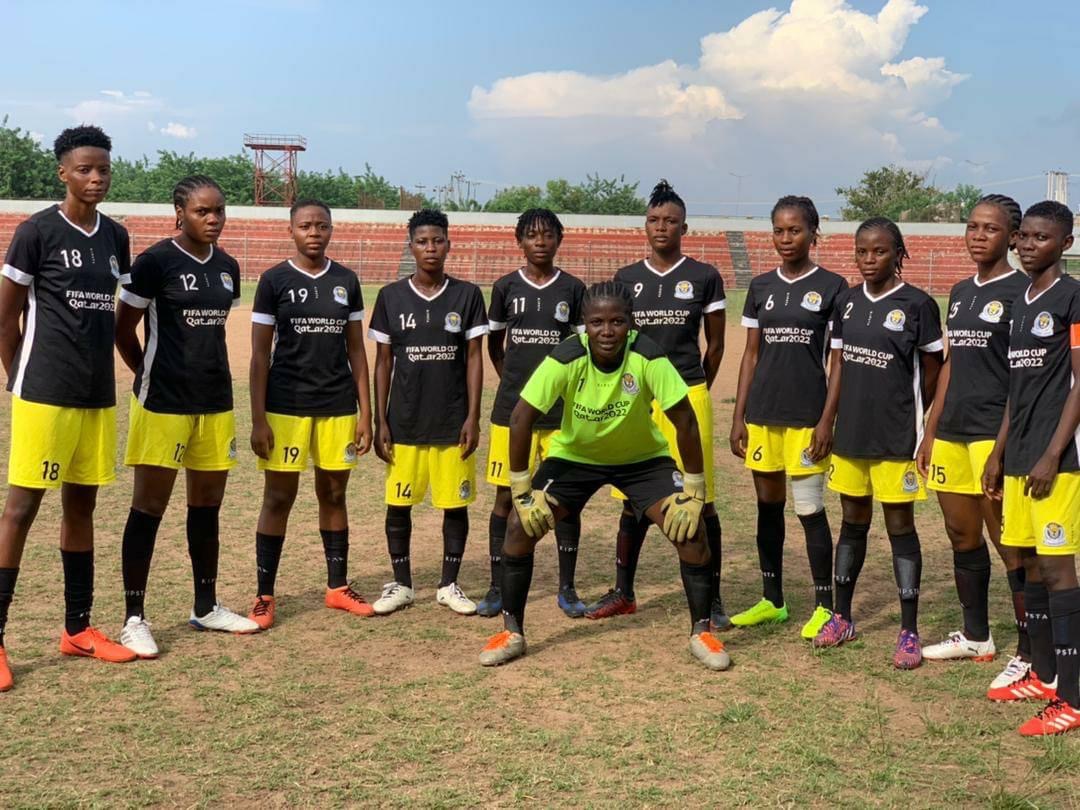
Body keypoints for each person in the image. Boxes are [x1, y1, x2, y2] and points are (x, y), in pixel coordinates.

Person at [478, 281, 730, 671]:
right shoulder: (567, 355)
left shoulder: (647, 354)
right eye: (597, 322)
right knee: (518, 526)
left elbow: (685, 421)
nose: (607, 331)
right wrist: (522, 489)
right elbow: (520, 417)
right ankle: (511, 632)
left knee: (690, 530)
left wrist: (695, 489)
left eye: (617, 322)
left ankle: (702, 632)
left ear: (631, 323)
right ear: (584, 325)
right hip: (575, 459)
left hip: (643, 460)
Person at [0, 126, 135, 688]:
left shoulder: (116, 236)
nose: (96, 178)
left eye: (103, 169)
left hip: (96, 393)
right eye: (84, 169)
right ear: (63, 173)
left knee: (82, 507)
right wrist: (20, 380)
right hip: (44, 391)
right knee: (20, 510)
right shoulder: (37, 231)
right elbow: (5, 318)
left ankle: (78, 629)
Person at [114, 175, 258, 658]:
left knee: (207, 506)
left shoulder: (228, 267)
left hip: (215, 402)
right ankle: (134, 617)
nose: (213, 219)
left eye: (219, 211)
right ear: (179, 213)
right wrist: (148, 374)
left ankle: (206, 605)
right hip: (163, 403)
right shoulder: (155, 262)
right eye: (202, 211)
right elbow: (122, 329)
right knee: (148, 508)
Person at [587, 180, 727, 627]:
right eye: (653, 220)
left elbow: (716, 346)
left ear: (685, 227)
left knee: (700, 500)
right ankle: (623, 592)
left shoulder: (704, 276)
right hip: (637, 400)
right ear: (644, 226)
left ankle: (714, 600)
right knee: (632, 500)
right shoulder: (626, 278)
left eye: (670, 220)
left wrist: (693, 389)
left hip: (687, 396)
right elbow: (615, 341)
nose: (661, 226)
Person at [814, 217, 944, 670]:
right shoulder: (846, 302)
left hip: (896, 437)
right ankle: (842, 617)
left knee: (899, 527)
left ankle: (908, 630)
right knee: (852, 522)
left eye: (880, 251)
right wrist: (826, 421)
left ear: (899, 253)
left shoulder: (918, 305)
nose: (869, 260)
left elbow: (933, 370)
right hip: (851, 435)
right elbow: (838, 365)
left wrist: (917, 419)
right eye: (862, 251)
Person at [916, 195, 1031, 691]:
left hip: (994, 435)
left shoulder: (1023, 292)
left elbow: (1023, 380)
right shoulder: (961, 292)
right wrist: (930, 429)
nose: (978, 235)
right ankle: (977, 636)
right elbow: (951, 364)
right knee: (961, 536)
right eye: (972, 226)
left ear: (1012, 237)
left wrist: (1001, 450)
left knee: (1012, 546)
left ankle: (1030, 651)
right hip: (952, 434)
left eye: (990, 228)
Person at [246, 199, 374, 630]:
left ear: (331, 229)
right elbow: (259, 355)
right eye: (305, 226)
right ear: (292, 231)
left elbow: (356, 351)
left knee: (334, 494)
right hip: (286, 406)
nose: (314, 233)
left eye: (322, 225)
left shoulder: (346, 280)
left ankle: (337, 587)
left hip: (337, 405)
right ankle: (264, 594)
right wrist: (258, 418)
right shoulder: (274, 280)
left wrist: (366, 413)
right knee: (278, 498)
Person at [728, 196, 847, 639]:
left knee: (809, 509)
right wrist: (739, 415)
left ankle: (823, 606)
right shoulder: (761, 286)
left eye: (794, 230)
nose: (785, 238)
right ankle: (772, 600)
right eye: (778, 230)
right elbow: (750, 355)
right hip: (764, 414)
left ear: (813, 233)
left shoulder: (833, 287)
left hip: (806, 416)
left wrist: (826, 420)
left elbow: (838, 361)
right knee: (768, 507)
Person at [982, 200, 1080, 735]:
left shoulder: (1073, 297)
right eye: (1023, 236)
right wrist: (999, 454)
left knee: (1060, 570)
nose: (1026, 245)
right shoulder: (1019, 303)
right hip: (1019, 457)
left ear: (1065, 243)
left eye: (1041, 238)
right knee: (1032, 565)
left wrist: (1050, 454)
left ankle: (1073, 698)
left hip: (1057, 462)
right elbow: (1016, 391)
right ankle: (1044, 676)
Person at [367, 209, 487, 616]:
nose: (430, 248)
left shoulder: (467, 295)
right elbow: (383, 361)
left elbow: (474, 358)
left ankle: (449, 584)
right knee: (398, 503)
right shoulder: (391, 296)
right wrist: (380, 420)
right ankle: (401, 584)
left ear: (448, 245)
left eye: (437, 240)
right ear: (411, 247)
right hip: (405, 420)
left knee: (455, 504)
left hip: (452, 420)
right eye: (422, 241)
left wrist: (473, 417)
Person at [479, 208, 587, 619]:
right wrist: (516, 386)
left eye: (548, 235)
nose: (540, 242)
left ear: (559, 240)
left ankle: (567, 587)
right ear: (519, 242)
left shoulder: (573, 289)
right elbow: (495, 346)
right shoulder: (505, 287)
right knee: (505, 496)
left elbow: (583, 350)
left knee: (565, 499)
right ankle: (496, 585)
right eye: (532, 235)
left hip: (561, 415)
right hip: (512, 412)